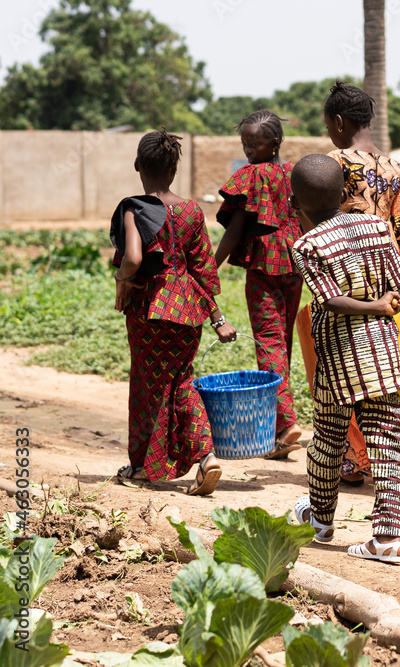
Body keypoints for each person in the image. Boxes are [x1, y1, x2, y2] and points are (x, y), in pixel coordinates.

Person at [288, 154, 400, 562]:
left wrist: (372, 307)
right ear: (343, 192)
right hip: (382, 355)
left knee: (328, 440)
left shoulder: (306, 246)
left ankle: (319, 520)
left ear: (293, 204)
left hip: (339, 358)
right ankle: (387, 538)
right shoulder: (376, 226)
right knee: (386, 442)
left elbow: (330, 301)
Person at [111, 129, 238, 496]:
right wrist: (217, 317)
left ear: (138, 165)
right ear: (175, 168)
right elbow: (202, 272)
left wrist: (121, 278)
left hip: (150, 310)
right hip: (187, 311)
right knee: (182, 380)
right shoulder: (192, 211)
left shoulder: (134, 208)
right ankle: (206, 456)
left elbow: (133, 259)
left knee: (148, 387)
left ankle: (140, 468)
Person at [322, 81, 400, 483]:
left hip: (346, 280)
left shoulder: (333, 162)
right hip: (386, 283)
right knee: (377, 374)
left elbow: (322, 223)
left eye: (328, 124)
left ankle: (349, 458)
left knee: (340, 373)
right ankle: (377, 462)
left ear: (339, 122)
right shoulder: (397, 168)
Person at [214, 110, 304, 459]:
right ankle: (282, 426)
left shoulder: (251, 176)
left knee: (269, 342)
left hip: (265, 264)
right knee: (281, 340)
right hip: (295, 262)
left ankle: (287, 422)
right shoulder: (294, 172)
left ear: (275, 142)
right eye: (245, 144)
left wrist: (210, 267)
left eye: (256, 143)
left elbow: (235, 229)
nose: (250, 149)